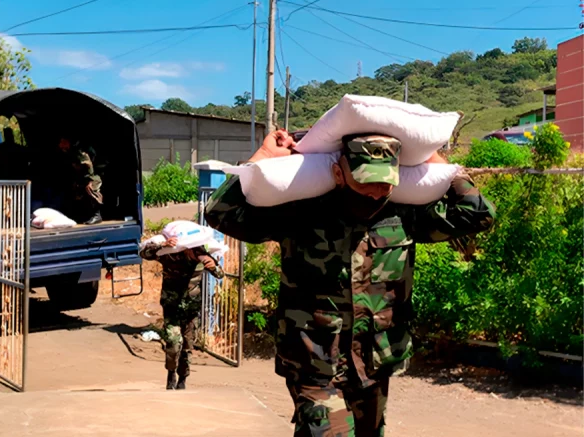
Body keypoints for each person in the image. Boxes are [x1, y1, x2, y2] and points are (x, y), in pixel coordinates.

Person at [204, 130, 495, 436]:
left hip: (374, 360)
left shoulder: (405, 213)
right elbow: (220, 213)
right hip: (315, 361)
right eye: (365, 181)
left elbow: (477, 216)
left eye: (385, 182)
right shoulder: (301, 210)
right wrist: (262, 158)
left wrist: (436, 161)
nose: (375, 191)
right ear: (338, 173)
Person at [140, 236, 225, 390]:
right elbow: (144, 254)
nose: (195, 253)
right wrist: (162, 245)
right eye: (192, 249)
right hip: (171, 306)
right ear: (186, 248)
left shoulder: (203, 256)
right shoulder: (170, 255)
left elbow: (220, 274)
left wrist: (213, 267)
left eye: (198, 249)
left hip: (191, 309)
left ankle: (183, 378)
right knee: (173, 342)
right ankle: (171, 372)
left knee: (187, 345)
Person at [57, 137, 103, 225]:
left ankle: (97, 215)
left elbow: (88, 166)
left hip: (92, 176)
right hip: (80, 177)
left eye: (62, 142)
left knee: (90, 188)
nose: (60, 144)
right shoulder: (67, 152)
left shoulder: (79, 152)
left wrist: (89, 181)